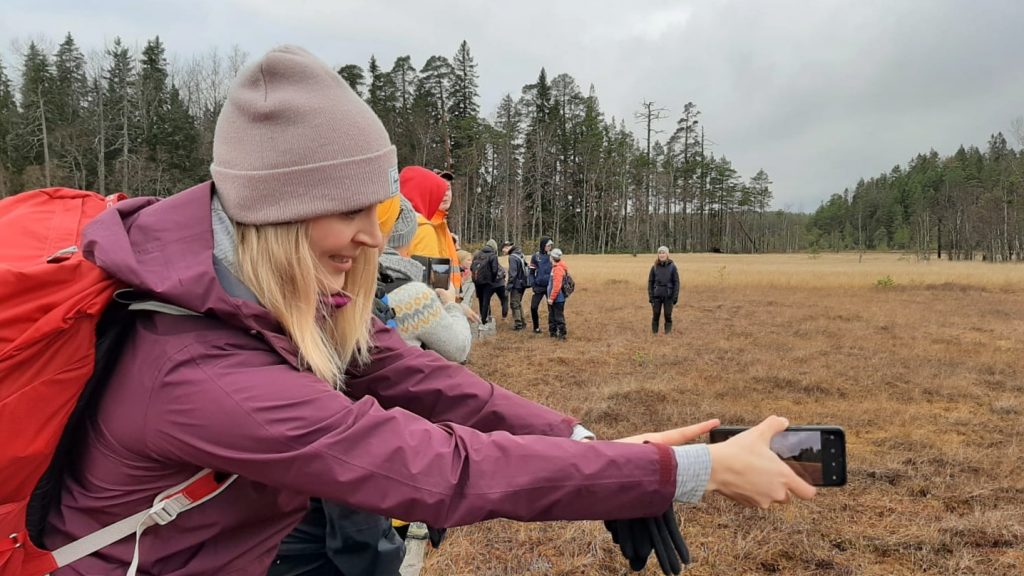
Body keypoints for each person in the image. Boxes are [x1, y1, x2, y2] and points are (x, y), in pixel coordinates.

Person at [44, 46, 814, 575]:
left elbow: (425, 377)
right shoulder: (201, 371)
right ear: (274, 213)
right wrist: (684, 472)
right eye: (346, 210)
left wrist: (594, 444)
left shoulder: (245, 295)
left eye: (373, 208)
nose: (366, 236)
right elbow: (442, 471)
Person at [400, 166, 461, 290]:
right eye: (438, 190)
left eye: (447, 189)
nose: (444, 195)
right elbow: (435, 283)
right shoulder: (426, 228)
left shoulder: (398, 222)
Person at [648, 246, 680, 334]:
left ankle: (667, 334)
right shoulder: (654, 267)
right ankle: (654, 334)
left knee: (668, 315)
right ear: (658, 255)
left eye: (663, 253)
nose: (662, 255)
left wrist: (675, 296)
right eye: (660, 253)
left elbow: (676, 282)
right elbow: (650, 283)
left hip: (668, 295)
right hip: (656, 295)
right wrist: (651, 296)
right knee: (656, 315)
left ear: (667, 254)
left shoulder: (672, 267)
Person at [470, 239, 501, 328]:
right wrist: (493, 279)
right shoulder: (493, 255)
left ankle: (483, 317)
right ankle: (484, 321)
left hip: (477, 281)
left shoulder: (477, 254)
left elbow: (471, 267)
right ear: (494, 247)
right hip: (487, 282)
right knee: (486, 300)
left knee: (481, 299)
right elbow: (495, 270)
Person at [528, 236, 554, 334]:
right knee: (533, 307)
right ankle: (536, 328)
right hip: (538, 286)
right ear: (543, 246)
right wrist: (533, 284)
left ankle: (552, 329)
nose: (549, 247)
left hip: (549, 287)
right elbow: (531, 272)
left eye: (551, 245)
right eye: (548, 245)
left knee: (551, 309)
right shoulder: (536, 256)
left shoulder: (552, 256)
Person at [547, 248, 569, 340]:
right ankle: (553, 333)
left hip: (558, 298)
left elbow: (557, 286)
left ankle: (562, 334)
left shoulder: (557, 269)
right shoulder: (557, 267)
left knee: (558, 317)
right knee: (552, 316)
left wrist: (551, 298)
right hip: (556, 298)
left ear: (552, 258)